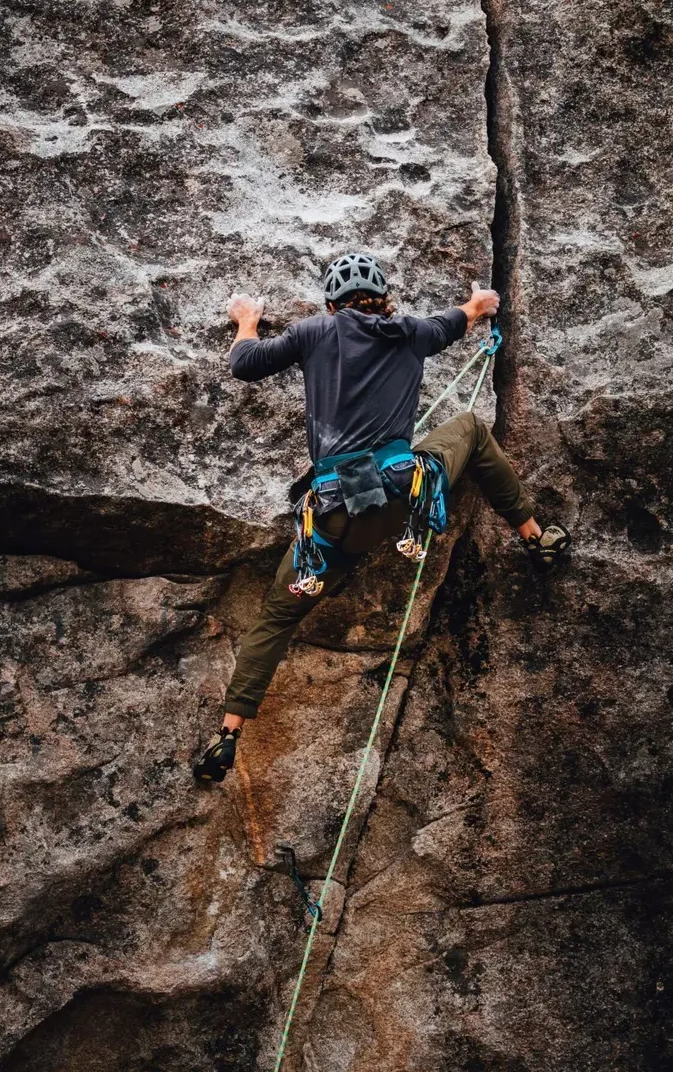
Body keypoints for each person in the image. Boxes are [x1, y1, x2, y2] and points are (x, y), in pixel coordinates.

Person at [193, 252, 571, 784]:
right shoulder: (412, 332)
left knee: (277, 618)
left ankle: (228, 735)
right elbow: (466, 315)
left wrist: (247, 320)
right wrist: (481, 303)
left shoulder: (314, 332)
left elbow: (244, 364)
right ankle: (536, 536)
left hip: (330, 523)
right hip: (399, 502)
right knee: (469, 428)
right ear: (383, 295)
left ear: (332, 302)